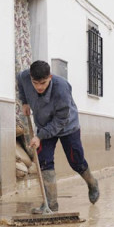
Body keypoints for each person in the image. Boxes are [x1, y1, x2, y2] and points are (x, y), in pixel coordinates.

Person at [17, 60, 99, 212]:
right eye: (36, 83)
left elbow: (61, 120)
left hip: (67, 125)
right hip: (43, 124)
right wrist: (25, 102)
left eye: (43, 83)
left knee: (76, 161)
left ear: (50, 77)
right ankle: (51, 205)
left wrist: (39, 136)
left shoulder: (62, 88)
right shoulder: (25, 77)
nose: (39, 87)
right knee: (44, 162)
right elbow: (20, 81)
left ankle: (92, 183)